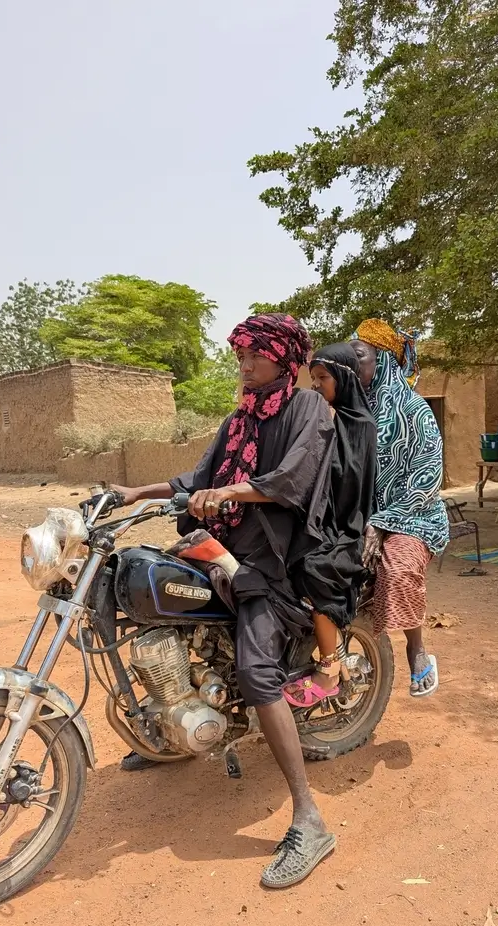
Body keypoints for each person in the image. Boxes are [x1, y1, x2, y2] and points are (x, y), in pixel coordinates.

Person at [112, 313, 338, 889]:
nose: (244, 362)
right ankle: (174, 732)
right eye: (239, 354)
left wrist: (229, 492)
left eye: (254, 354)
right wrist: (137, 492)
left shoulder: (306, 408)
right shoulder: (240, 416)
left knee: (256, 670)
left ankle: (309, 820)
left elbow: (291, 479)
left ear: (283, 358)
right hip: (222, 545)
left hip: (274, 557)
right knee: (150, 603)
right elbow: (198, 476)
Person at [349, 319, 449, 697]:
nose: (352, 365)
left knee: (398, 564)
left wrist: (382, 522)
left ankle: (416, 648)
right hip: (365, 515)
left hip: (414, 515)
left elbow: (426, 479)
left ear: (384, 361)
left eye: (359, 356)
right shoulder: (352, 409)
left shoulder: (415, 412)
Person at [281, 343, 377, 706]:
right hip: (323, 519)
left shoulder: (360, 425)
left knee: (316, 567)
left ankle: (330, 669)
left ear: (345, 378)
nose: (317, 385)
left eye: (323, 378)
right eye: (314, 378)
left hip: (345, 526)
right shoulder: (328, 418)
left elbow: (346, 479)